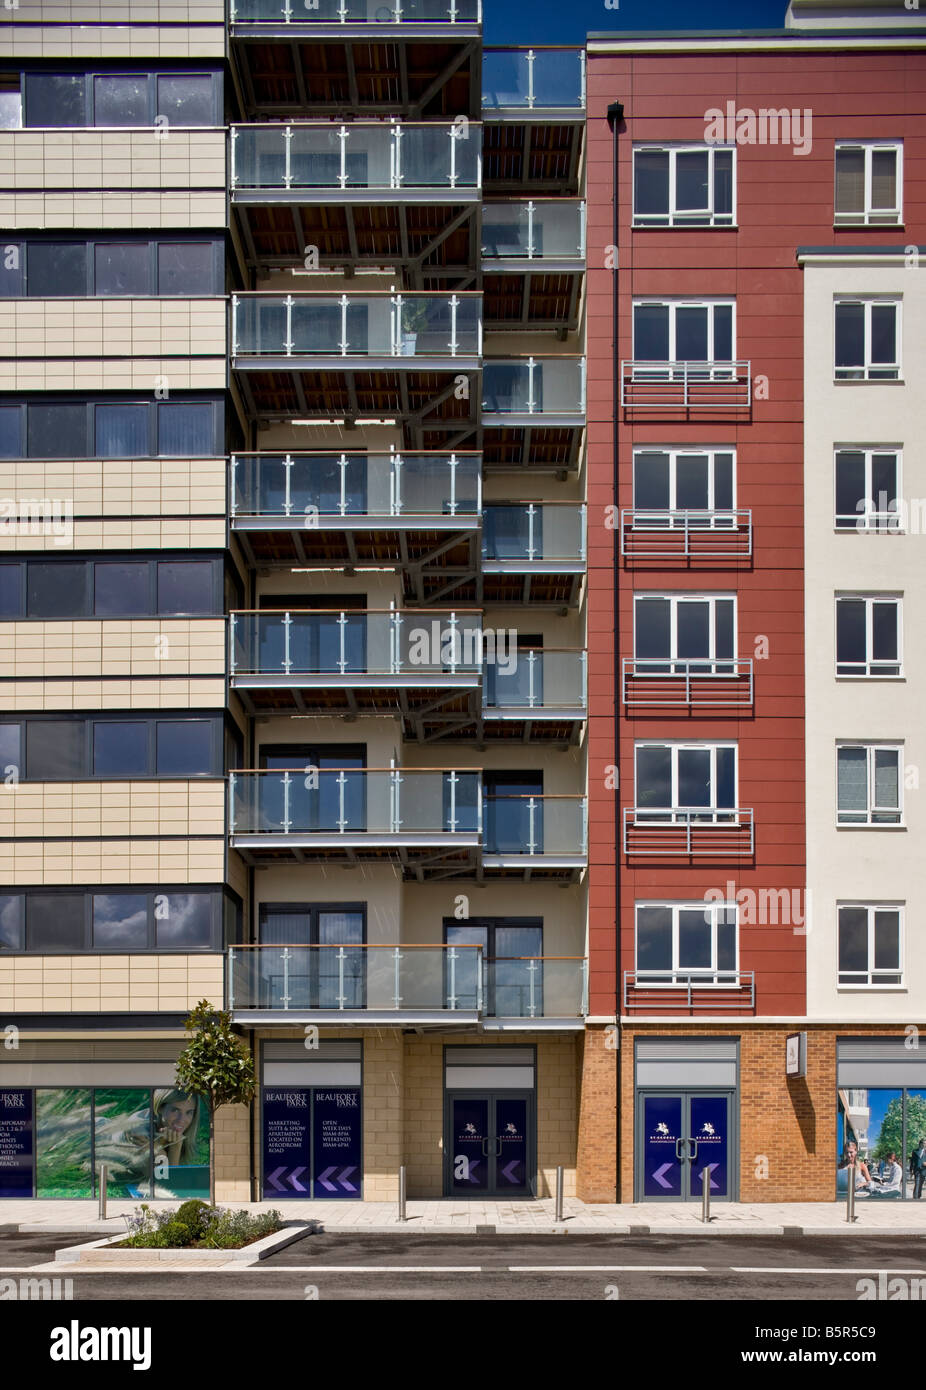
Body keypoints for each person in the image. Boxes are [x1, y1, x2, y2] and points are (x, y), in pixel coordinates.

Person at [151, 1089, 202, 1169]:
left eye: (189, 1112)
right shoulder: (142, 1134)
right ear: (160, 1108)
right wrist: (175, 1148)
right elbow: (166, 1180)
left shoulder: (190, 1136)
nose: (181, 1120)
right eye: (175, 1110)